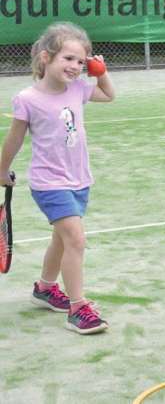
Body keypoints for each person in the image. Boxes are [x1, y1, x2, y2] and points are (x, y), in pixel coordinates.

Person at [0, 22, 114, 334]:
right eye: (69, 58)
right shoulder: (27, 98)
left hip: (80, 179)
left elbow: (108, 94)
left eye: (81, 60)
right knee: (75, 239)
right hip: (49, 183)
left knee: (61, 239)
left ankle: (45, 288)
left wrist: (99, 70)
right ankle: (78, 308)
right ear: (46, 58)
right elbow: (14, 139)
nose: (76, 66)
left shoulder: (78, 89)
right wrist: (1, 169)